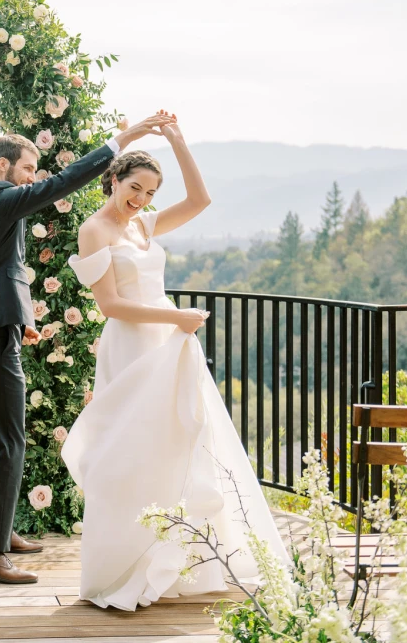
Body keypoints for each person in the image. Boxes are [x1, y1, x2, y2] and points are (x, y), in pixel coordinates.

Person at [63, 114, 290, 610]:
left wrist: (179, 143)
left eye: (149, 192)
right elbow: (110, 307)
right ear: (114, 180)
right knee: (128, 452)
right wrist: (176, 315)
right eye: (134, 187)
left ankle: (180, 565)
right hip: (131, 349)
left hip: (168, 346)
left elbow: (199, 201)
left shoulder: (144, 224)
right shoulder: (94, 230)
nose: (141, 199)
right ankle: (121, 567)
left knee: (177, 444)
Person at [0, 113, 173, 585]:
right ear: (6, 165)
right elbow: (65, 183)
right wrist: (123, 139)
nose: (35, 178)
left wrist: (9, 316)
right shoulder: (1, 198)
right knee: (11, 442)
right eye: (29, 169)